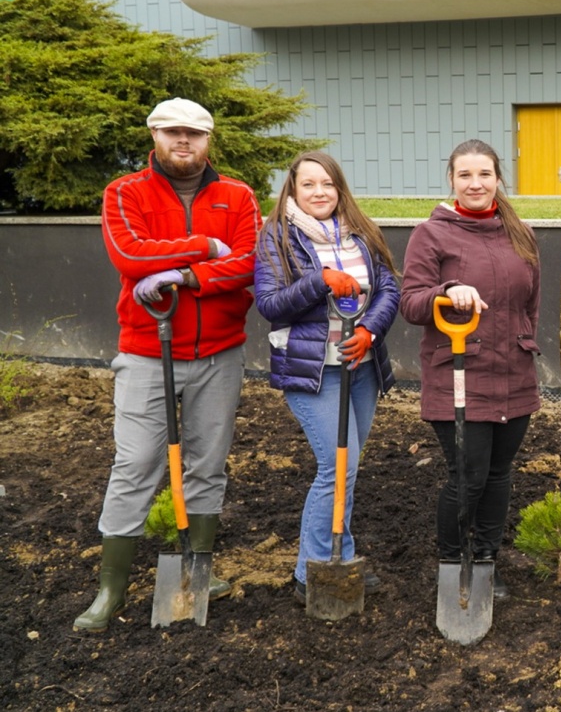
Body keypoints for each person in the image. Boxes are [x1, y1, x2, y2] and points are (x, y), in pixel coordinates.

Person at [78, 98, 260, 631]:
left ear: (210, 140)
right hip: (145, 352)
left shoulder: (237, 195)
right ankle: (110, 589)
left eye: (196, 134)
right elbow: (129, 257)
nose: (185, 142)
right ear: (154, 135)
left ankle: (196, 573)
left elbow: (249, 261)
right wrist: (204, 245)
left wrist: (189, 276)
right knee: (136, 465)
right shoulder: (124, 192)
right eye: (174, 133)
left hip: (220, 353)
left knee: (208, 464)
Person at [254, 151, 400, 603]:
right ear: (293, 190)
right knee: (337, 468)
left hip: (360, 368)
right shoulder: (277, 237)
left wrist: (372, 332)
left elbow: (388, 288)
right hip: (313, 372)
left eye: (328, 184)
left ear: (340, 189)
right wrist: (320, 281)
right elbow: (270, 304)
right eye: (308, 185)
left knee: (347, 470)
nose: (320, 193)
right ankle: (310, 570)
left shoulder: (362, 232)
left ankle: (340, 554)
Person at [400, 139, 541, 601]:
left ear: (499, 178)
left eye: (484, 174)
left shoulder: (519, 232)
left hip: (513, 374)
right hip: (459, 374)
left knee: (499, 473)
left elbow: (530, 305)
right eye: (465, 175)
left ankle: (485, 561)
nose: (476, 183)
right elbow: (411, 303)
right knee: (468, 475)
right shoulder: (432, 234)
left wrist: (524, 345)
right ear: (452, 180)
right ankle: (452, 562)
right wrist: (448, 289)